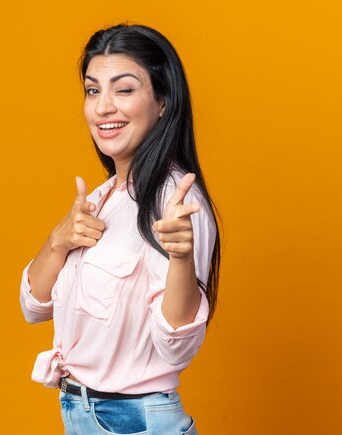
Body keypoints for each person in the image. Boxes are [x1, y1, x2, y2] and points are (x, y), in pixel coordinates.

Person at [19, 23, 222, 434]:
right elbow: (33, 308)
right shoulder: (100, 197)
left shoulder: (176, 202)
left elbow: (176, 348)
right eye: (93, 90)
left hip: (134, 422)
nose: (103, 107)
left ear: (163, 101)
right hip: (83, 414)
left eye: (124, 90)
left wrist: (182, 258)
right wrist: (57, 241)